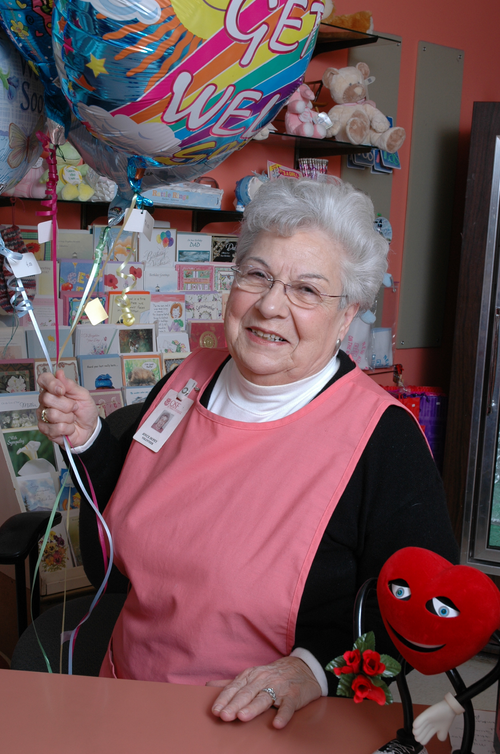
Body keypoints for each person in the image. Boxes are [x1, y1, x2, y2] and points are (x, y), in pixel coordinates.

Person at [37, 177, 458, 730]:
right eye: (257, 275)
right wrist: (90, 441)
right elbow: (110, 559)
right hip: (130, 703)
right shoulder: (183, 381)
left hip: (270, 726)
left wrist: (315, 670)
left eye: (307, 290)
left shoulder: (384, 439)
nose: (269, 305)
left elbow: (429, 610)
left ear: (347, 315)